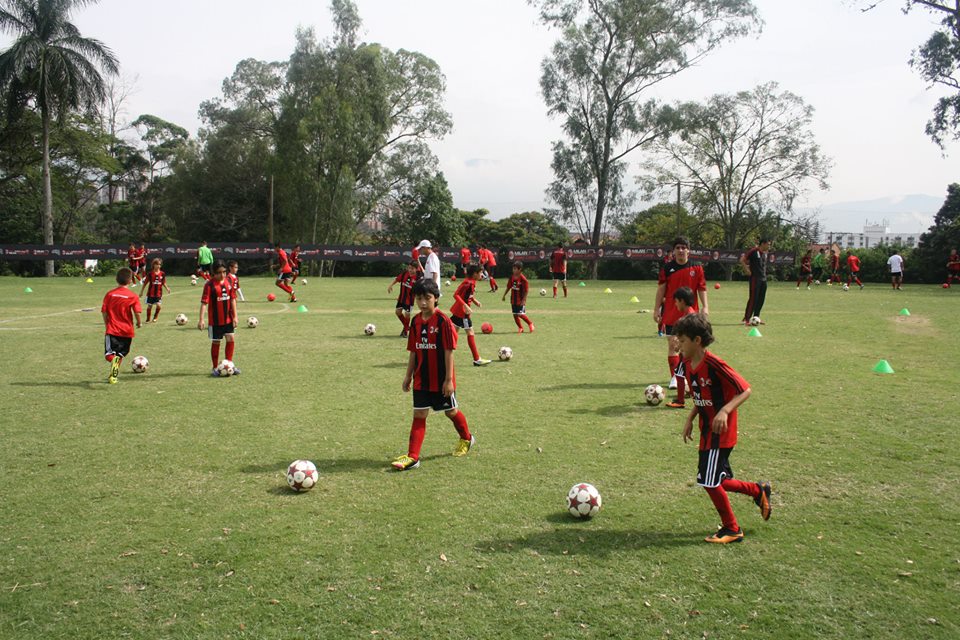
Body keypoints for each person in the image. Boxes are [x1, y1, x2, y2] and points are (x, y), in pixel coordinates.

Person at [675, 313, 772, 544]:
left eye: (683, 340)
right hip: (706, 430)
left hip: (721, 432)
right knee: (716, 478)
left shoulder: (715, 365)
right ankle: (757, 490)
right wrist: (690, 417)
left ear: (697, 341)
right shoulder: (687, 364)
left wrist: (725, 411)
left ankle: (732, 529)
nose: (679, 344)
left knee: (709, 481)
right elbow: (700, 396)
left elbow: (745, 390)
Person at [392, 278, 474, 471]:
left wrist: (448, 380)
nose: (422, 302)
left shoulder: (443, 321)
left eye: (427, 298)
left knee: (450, 412)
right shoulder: (416, 321)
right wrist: (408, 376)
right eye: (418, 298)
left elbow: (448, 351)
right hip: (421, 378)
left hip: (441, 380)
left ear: (436, 298)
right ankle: (413, 457)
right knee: (419, 414)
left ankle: (467, 438)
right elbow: (413, 350)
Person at [653, 236, 708, 392]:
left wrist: (705, 307)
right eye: (678, 248)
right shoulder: (666, 268)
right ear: (673, 251)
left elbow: (702, 288)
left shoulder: (697, 268)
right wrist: (656, 309)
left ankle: (693, 377)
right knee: (673, 346)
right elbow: (661, 289)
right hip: (671, 314)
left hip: (691, 315)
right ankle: (675, 378)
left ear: (688, 251)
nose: (681, 250)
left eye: (684, 247)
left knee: (692, 348)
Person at [198, 261, 240, 376]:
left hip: (228, 319)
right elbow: (204, 303)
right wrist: (201, 319)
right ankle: (215, 368)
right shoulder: (209, 285)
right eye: (219, 273)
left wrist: (235, 316)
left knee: (230, 339)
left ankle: (230, 364)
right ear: (213, 273)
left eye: (224, 272)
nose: (222, 275)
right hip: (215, 321)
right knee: (216, 342)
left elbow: (232, 299)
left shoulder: (229, 282)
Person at [101, 267, 142, 384]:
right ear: (130, 281)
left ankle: (113, 371)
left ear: (116, 279)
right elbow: (137, 312)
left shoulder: (110, 294)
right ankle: (113, 377)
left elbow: (104, 311)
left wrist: (106, 324)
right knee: (119, 355)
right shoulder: (132, 296)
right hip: (127, 331)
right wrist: (139, 322)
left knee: (110, 355)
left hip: (113, 329)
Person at [450, 264, 492, 366]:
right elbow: (456, 295)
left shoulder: (472, 282)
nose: (482, 274)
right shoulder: (467, 283)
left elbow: (468, 295)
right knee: (470, 332)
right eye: (481, 272)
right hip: (462, 313)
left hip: (459, 312)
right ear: (474, 274)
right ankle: (477, 359)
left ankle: (442, 355)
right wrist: (465, 305)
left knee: (452, 334)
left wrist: (474, 301)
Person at [665, 286, 697, 409]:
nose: (675, 304)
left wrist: (680, 346)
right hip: (691, 353)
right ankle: (691, 392)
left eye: (676, 301)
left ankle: (680, 401)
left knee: (679, 374)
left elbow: (690, 337)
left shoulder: (688, 318)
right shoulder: (691, 314)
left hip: (688, 354)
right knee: (689, 374)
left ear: (682, 301)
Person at [740, 237, 771, 324]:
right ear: (763, 244)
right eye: (768, 244)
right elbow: (742, 260)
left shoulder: (765, 253)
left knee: (761, 299)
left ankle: (756, 317)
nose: (769, 246)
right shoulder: (753, 251)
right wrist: (747, 270)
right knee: (753, 298)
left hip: (763, 279)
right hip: (755, 279)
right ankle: (746, 319)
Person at [387, 261, 420, 337]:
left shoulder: (418, 278)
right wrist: (390, 285)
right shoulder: (405, 274)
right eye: (409, 268)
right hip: (401, 298)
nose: (410, 270)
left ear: (416, 269)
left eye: (412, 268)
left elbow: (419, 289)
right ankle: (407, 327)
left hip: (410, 300)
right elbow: (397, 279)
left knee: (407, 315)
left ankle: (405, 331)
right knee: (398, 312)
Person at [502, 261, 534, 333]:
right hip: (513, 299)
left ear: (520, 270)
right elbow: (508, 287)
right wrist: (504, 295)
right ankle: (520, 328)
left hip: (520, 300)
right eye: (513, 268)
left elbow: (526, 291)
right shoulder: (512, 277)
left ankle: (530, 323)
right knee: (515, 314)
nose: (513, 270)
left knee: (520, 314)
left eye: (515, 269)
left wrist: (524, 300)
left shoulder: (523, 279)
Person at [139, 258, 171, 323]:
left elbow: (163, 282)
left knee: (159, 305)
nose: (158, 266)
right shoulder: (150, 274)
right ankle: (148, 319)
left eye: (159, 264)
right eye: (156, 264)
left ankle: (155, 317)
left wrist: (167, 288)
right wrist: (141, 291)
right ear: (153, 265)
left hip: (158, 293)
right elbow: (145, 283)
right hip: (150, 293)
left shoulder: (162, 273)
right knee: (149, 306)